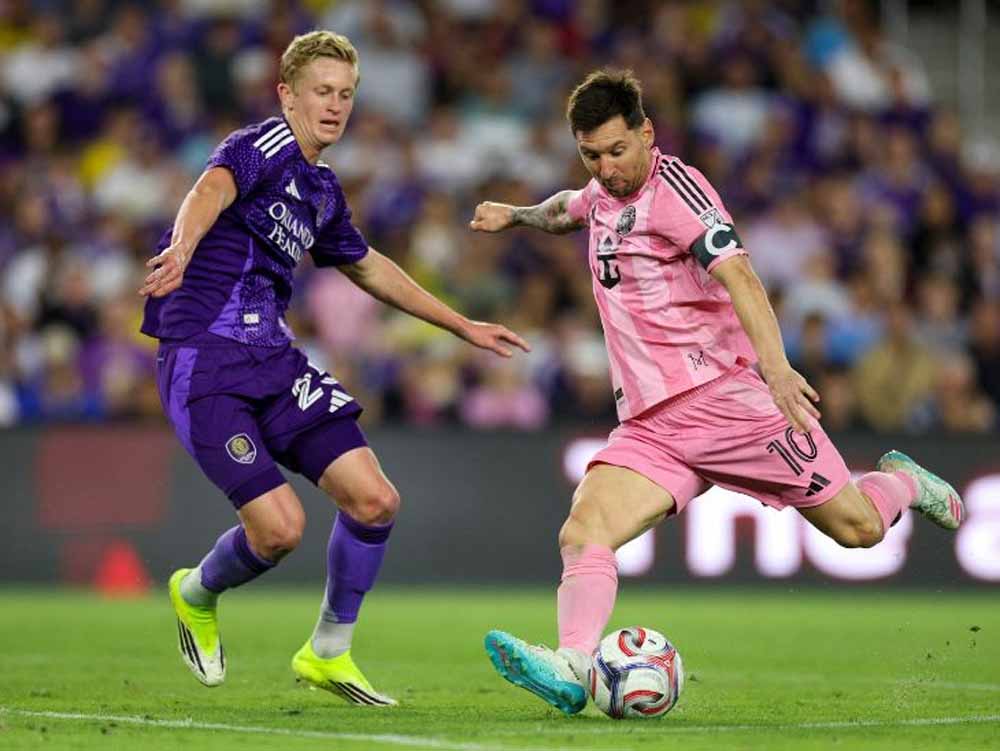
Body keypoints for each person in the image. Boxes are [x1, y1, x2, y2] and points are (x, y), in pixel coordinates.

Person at [470, 69, 964, 716]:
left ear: (647, 133)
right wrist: (517, 216)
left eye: (617, 151)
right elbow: (570, 208)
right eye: (592, 155)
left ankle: (902, 482)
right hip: (651, 425)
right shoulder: (603, 192)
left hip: (728, 403)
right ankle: (574, 664)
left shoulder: (678, 190)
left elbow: (741, 276)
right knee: (583, 530)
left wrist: (776, 369)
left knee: (860, 528)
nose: (607, 168)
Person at [140, 30, 527, 706]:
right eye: (322, 91)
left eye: (346, 94)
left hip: (274, 358)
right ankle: (196, 592)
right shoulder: (263, 145)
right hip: (205, 357)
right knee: (279, 530)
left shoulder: (320, 190)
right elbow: (211, 187)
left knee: (376, 500)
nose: (336, 105)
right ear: (287, 94)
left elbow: (369, 267)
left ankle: (327, 651)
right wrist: (182, 245)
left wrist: (461, 324)